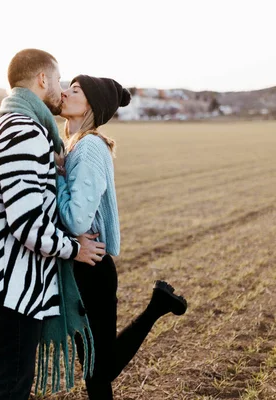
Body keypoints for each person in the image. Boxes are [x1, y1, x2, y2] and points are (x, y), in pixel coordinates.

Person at [0, 50, 106, 400]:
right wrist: (75, 248)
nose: (61, 89)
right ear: (42, 79)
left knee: (4, 382)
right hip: (12, 287)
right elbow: (27, 224)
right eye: (58, 80)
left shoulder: (0, 125)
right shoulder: (24, 131)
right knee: (10, 388)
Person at [56, 75, 189, 399]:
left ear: (92, 105)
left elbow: (76, 220)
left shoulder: (87, 148)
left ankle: (157, 306)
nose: (64, 93)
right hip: (85, 266)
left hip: (91, 267)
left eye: (75, 91)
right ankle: (158, 305)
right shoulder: (77, 145)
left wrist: (58, 178)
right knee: (96, 372)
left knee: (98, 371)